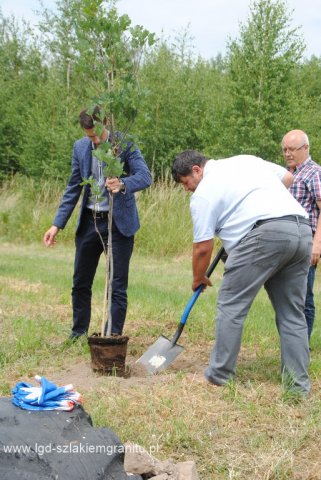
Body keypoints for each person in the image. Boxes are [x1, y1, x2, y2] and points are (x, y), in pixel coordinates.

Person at [172, 150, 312, 395]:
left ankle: (219, 376)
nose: (187, 190)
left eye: (186, 183)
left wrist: (198, 278)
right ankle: (297, 387)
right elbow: (288, 180)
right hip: (300, 230)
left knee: (231, 306)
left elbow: (202, 248)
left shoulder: (204, 193)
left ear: (197, 170)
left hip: (262, 235)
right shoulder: (246, 160)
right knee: (292, 314)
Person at [43, 106, 152, 340]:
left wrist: (122, 184)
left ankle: (112, 337)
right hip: (90, 222)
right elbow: (73, 188)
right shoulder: (80, 147)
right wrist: (56, 224)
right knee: (80, 282)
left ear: (105, 124)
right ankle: (78, 333)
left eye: (96, 134)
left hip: (119, 225)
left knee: (117, 285)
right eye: (88, 135)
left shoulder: (124, 143)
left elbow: (145, 176)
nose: (93, 140)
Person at [282, 130, 321, 341]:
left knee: (303, 296)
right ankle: (292, 341)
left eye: (292, 149)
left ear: (305, 148)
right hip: (287, 243)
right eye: (285, 149)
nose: (288, 153)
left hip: (306, 243)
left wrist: (317, 244)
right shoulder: (287, 174)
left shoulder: (314, 173)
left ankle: (301, 347)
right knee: (288, 296)